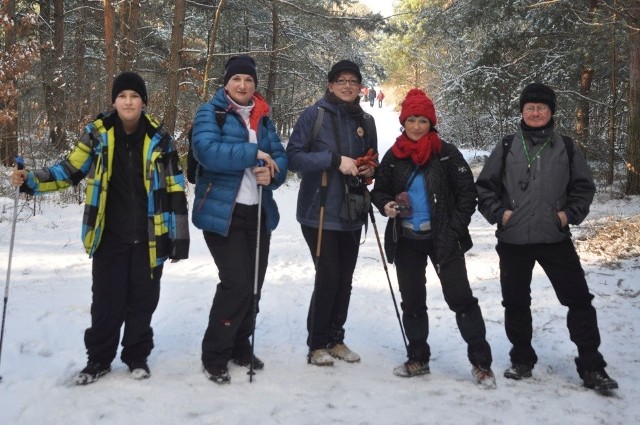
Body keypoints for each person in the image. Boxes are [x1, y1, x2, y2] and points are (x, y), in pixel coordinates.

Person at [10, 72, 190, 385]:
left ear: (143, 101)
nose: (129, 101)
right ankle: (98, 360)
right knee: (106, 302)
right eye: (123, 96)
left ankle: (136, 356)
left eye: (135, 96)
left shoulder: (160, 137)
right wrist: (31, 180)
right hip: (109, 234)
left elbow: (175, 188)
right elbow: (68, 171)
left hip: (151, 235)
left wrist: (178, 241)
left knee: (143, 301)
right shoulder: (98, 134)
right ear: (115, 101)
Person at [476, 83, 618, 392]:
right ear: (522, 112)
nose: (536, 112)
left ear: (551, 111)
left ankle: (592, 367)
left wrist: (567, 215)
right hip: (513, 240)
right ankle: (522, 359)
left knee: (579, 300)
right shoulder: (507, 145)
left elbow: (583, 187)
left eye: (542, 107)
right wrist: (500, 214)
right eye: (530, 107)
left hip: (555, 238)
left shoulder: (566, 146)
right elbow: (485, 187)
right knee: (515, 303)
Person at [370, 88, 496, 388]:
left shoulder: (447, 153)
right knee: (412, 302)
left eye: (422, 120)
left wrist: (452, 230)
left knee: (462, 300)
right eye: (411, 120)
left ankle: (481, 364)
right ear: (403, 122)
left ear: (431, 123)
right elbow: (379, 190)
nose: (416, 126)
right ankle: (418, 358)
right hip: (407, 239)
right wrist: (385, 204)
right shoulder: (394, 155)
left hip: (444, 239)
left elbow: (468, 194)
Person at [191, 55, 288, 384]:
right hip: (223, 213)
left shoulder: (263, 118)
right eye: (237, 80)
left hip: (257, 211)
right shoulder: (211, 112)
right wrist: (253, 154)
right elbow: (206, 151)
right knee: (237, 283)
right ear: (226, 83)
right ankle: (215, 354)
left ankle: (239, 345)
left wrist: (271, 173)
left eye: (248, 80)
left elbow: (280, 157)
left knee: (254, 285)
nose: (243, 85)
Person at [287, 60, 377, 366]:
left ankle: (336, 339)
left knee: (345, 279)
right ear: (330, 85)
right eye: (342, 80)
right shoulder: (314, 115)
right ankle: (317, 345)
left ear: (360, 87)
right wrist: (333, 160)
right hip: (319, 209)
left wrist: (367, 167)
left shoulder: (366, 119)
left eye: (354, 81)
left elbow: (372, 159)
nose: (348, 85)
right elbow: (294, 158)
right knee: (328, 276)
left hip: (352, 210)